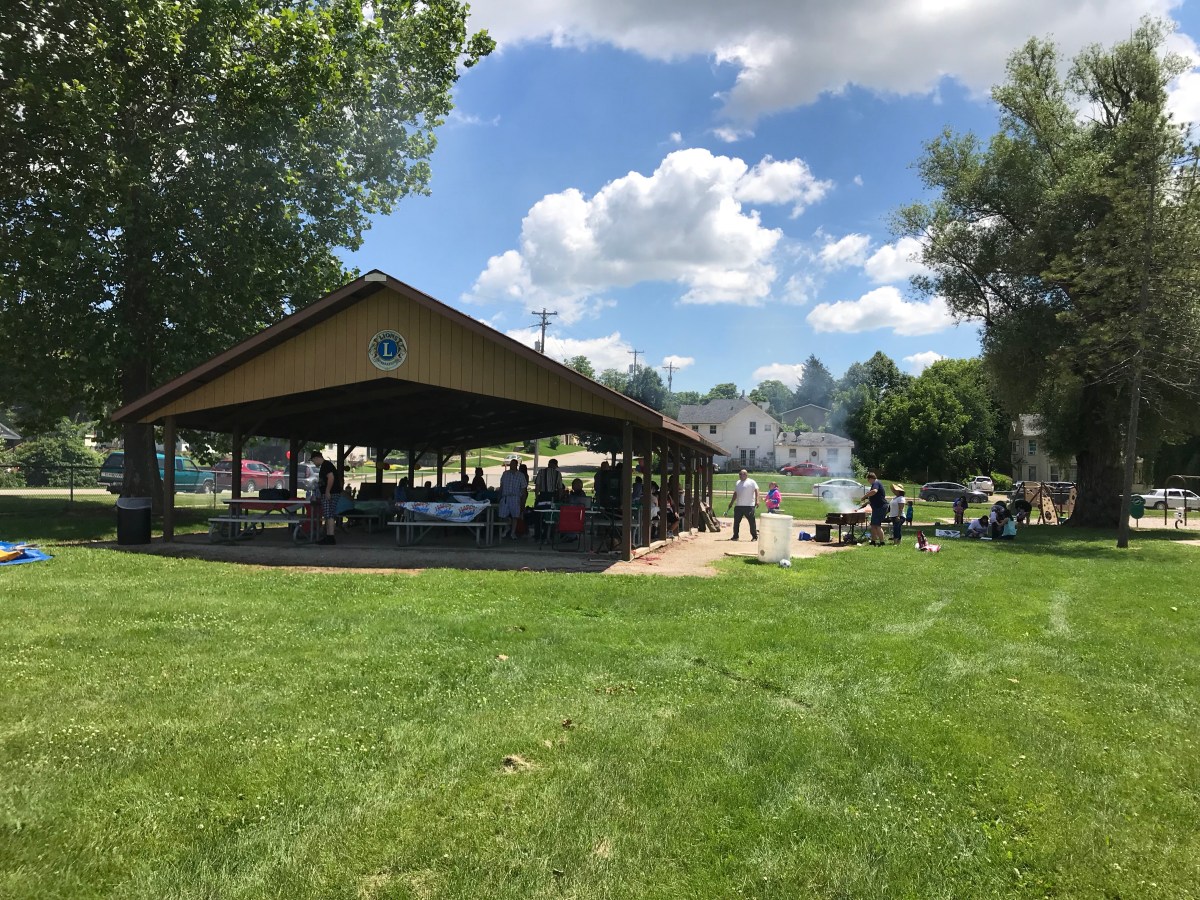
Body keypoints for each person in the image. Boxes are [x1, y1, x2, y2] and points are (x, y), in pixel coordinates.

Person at [310, 450, 342, 545]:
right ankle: (328, 535)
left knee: (329, 514)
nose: (313, 463)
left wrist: (327, 491)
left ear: (317, 458)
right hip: (331, 493)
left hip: (330, 493)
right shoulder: (326, 465)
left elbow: (331, 477)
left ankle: (330, 537)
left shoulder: (326, 465)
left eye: (313, 460)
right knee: (328, 514)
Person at [726, 469, 760, 541]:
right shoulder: (738, 482)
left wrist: (757, 500)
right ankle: (735, 536)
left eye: (742, 474)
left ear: (746, 475)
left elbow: (756, 490)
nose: (740, 475)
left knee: (751, 522)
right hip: (738, 506)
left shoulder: (751, 482)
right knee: (736, 522)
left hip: (749, 505)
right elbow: (735, 493)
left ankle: (754, 537)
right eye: (740, 474)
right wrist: (731, 502)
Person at [498, 459, 527, 540]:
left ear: (516, 465)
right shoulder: (505, 474)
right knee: (502, 515)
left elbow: (524, 489)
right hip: (505, 497)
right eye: (510, 464)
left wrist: (523, 501)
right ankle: (507, 527)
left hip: (515, 497)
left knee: (515, 516)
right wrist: (499, 496)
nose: (511, 465)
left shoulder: (520, 475)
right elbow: (501, 486)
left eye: (513, 464)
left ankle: (512, 533)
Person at [861, 471, 888, 546]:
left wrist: (865, 496)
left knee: (877, 525)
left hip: (880, 507)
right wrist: (865, 504)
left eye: (868, 480)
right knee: (873, 525)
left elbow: (874, 491)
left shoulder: (876, 483)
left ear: (871, 478)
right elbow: (873, 498)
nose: (868, 481)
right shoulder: (875, 483)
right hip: (877, 507)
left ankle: (882, 542)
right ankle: (873, 541)